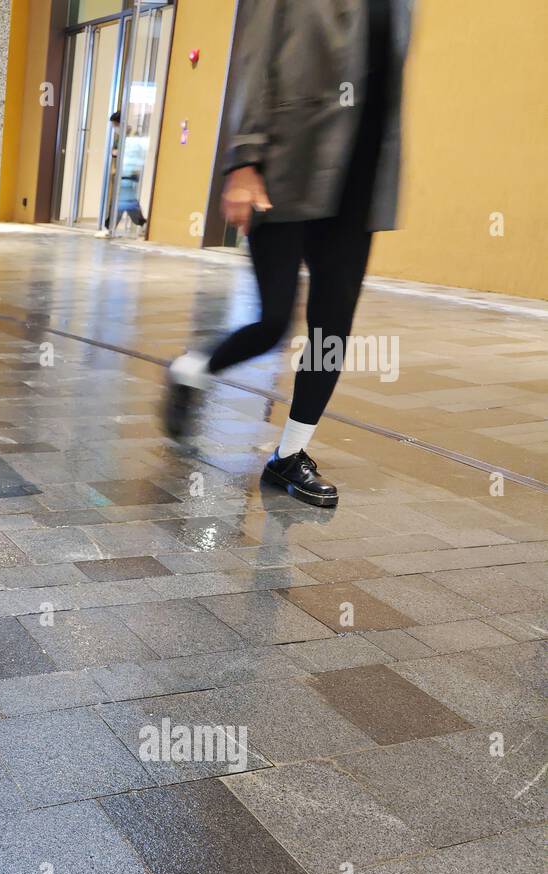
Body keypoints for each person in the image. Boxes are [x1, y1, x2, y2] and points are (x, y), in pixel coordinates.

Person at [164, 0, 414, 506]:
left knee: (332, 327)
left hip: (359, 183)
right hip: (286, 168)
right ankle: (192, 369)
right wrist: (244, 159)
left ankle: (290, 455)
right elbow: (253, 60)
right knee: (274, 320)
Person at [99, 111, 122, 235]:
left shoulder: (129, 136)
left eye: (115, 125)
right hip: (118, 172)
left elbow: (117, 152)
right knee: (118, 200)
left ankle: (109, 226)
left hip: (127, 174)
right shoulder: (118, 137)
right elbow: (113, 152)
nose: (114, 128)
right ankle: (109, 226)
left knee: (120, 201)